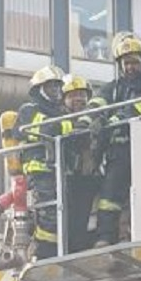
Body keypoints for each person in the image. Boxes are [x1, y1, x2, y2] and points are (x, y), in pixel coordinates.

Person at [89, 31, 141, 246]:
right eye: (126, 63)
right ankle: (105, 237)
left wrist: (118, 117)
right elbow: (97, 104)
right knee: (109, 196)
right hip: (118, 152)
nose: (130, 67)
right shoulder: (112, 89)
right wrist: (92, 120)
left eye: (134, 62)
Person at [14, 65, 73, 260]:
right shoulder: (29, 110)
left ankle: (55, 251)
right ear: (40, 89)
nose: (56, 91)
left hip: (60, 170)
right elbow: (46, 128)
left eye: (58, 86)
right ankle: (42, 253)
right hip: (39, 169)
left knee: (63, 214)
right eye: (51, 86)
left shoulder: (61, 111)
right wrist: (69, 125)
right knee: (48, 215)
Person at [60, 74, 101, 252]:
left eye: (82, 95)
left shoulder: (95, 119)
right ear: (64, 100)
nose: (78, 99)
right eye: (72, 95)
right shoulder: (59, 120)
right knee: (71, 219)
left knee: (88, 218)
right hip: (67, 179)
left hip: (90, 177)